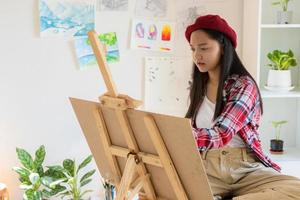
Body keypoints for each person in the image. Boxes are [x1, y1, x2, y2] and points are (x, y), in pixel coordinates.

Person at [185, 14, 300, 200]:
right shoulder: (198, 87)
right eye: (192, 49)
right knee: (164, 188)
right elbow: (192, 131)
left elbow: (222, 133)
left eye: (204, 48)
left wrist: (181, 135)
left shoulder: (243, 86)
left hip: (245, 168)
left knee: (296, 190)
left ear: (223, 47)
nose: (196, 55)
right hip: (207, 167)